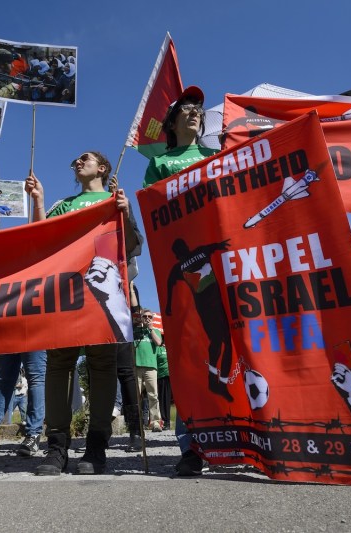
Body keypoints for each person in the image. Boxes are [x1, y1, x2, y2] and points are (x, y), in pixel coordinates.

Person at [25, 150, 142, 475]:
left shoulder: (114, 200)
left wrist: (126, 212)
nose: (77, 161)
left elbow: (131, 246)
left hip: (103, 293)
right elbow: (37, 240)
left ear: (103, 168)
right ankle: (57, 446)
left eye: (85, 158)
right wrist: (38, 200)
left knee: (102, 364)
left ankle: (96, 445)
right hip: (65, 292)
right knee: (59, 362)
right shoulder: (63, 206)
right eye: (74, 159)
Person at [142, 86, 218, 477]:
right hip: (188, 269)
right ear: (171, 122)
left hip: (225, 263)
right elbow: (154, 211)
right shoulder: (160, 163)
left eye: (197, 109)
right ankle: (191, 446)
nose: (194, 112)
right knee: (188, 354)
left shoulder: (218, 154)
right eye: (185, 108)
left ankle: (245, 433)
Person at [133, 309, 162, 431]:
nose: (147, 318)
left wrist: (150, 329)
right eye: (145, 316)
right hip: (137, 366)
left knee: (153, 395)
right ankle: (136, 423)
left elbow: (159, 343)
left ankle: (155, 422)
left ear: (153, 319)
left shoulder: (155, 331)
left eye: (150, 316)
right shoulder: (135, 331)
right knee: (136, 396)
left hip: (151, 367)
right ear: (141, 318)